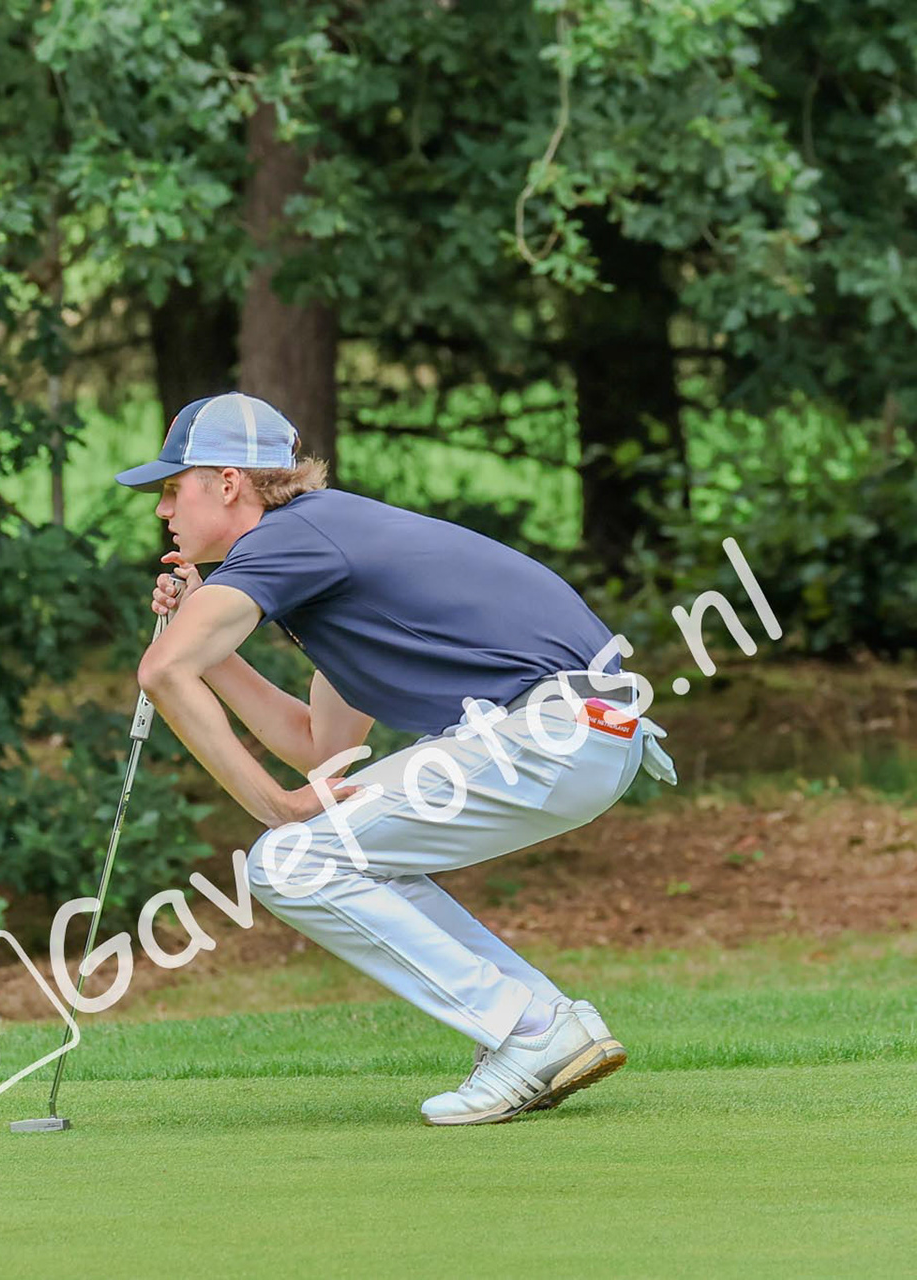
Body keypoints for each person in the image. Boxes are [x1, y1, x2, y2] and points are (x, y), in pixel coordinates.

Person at [117, 392, 678, 1125]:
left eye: (171, 487)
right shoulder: (324, 553)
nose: (163, 510)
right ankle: (543, 1021)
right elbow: (321, 749)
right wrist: (209, 645)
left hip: (550, 733)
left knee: (289, 859)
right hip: (580, 735)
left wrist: (274, 807)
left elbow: (162, 674)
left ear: (228, 483)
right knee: (326, 855)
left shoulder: (293, 538)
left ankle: (524, 1030)